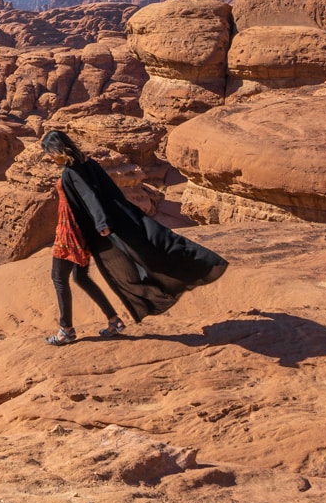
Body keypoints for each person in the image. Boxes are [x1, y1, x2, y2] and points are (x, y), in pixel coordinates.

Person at [41, 129, 228, 346]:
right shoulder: (88, 163)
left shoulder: (72, 171)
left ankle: (66, 330)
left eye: (49, 152)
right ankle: (114, 321)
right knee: (80, 278)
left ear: (57, 149)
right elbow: (109, 191)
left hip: (71, 232)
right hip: (81, 231)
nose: (49, 157)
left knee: (59, 278)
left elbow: (89, 196)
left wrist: (102, 223)